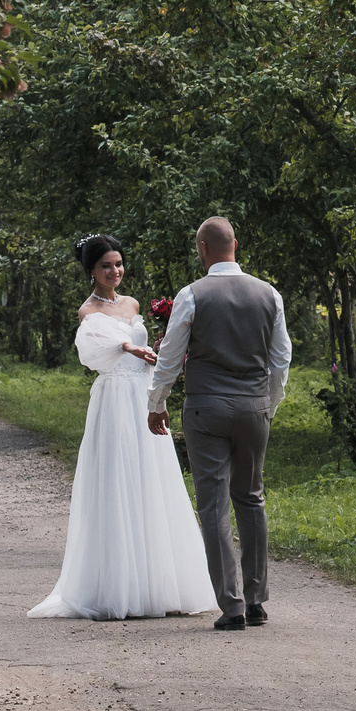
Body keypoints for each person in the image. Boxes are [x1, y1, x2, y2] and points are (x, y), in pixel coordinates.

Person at [28, 235, 217, 621]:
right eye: (106, 266)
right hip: (114, 399)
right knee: (119, 479)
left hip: (141, 392)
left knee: (151, 481)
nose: (114, 271)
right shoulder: (88, 311)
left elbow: (145, 349)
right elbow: (93, 350)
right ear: (91, 270)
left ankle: (159, 584)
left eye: (118, 264)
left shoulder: (131, 304)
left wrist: (159, 364)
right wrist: (128, 347)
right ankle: (118, 586)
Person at [149, 217, 290, 631]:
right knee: (251, 498)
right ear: (235, 244)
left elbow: (170, 356)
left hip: (206, 410)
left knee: (213, 505)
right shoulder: (269, 294)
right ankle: (257, 600)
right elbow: (281, 359)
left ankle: (231, 607)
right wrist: (268, 404)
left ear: (203, 249)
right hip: (253, 410)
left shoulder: (192, 295)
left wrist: (157, 402)